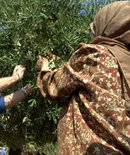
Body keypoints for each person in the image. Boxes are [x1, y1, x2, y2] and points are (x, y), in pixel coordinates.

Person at [36, 1, 130, 154]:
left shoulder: (95, 54)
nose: (92, 34)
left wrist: (44, 68)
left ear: (109, 24)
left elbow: (54, 86)